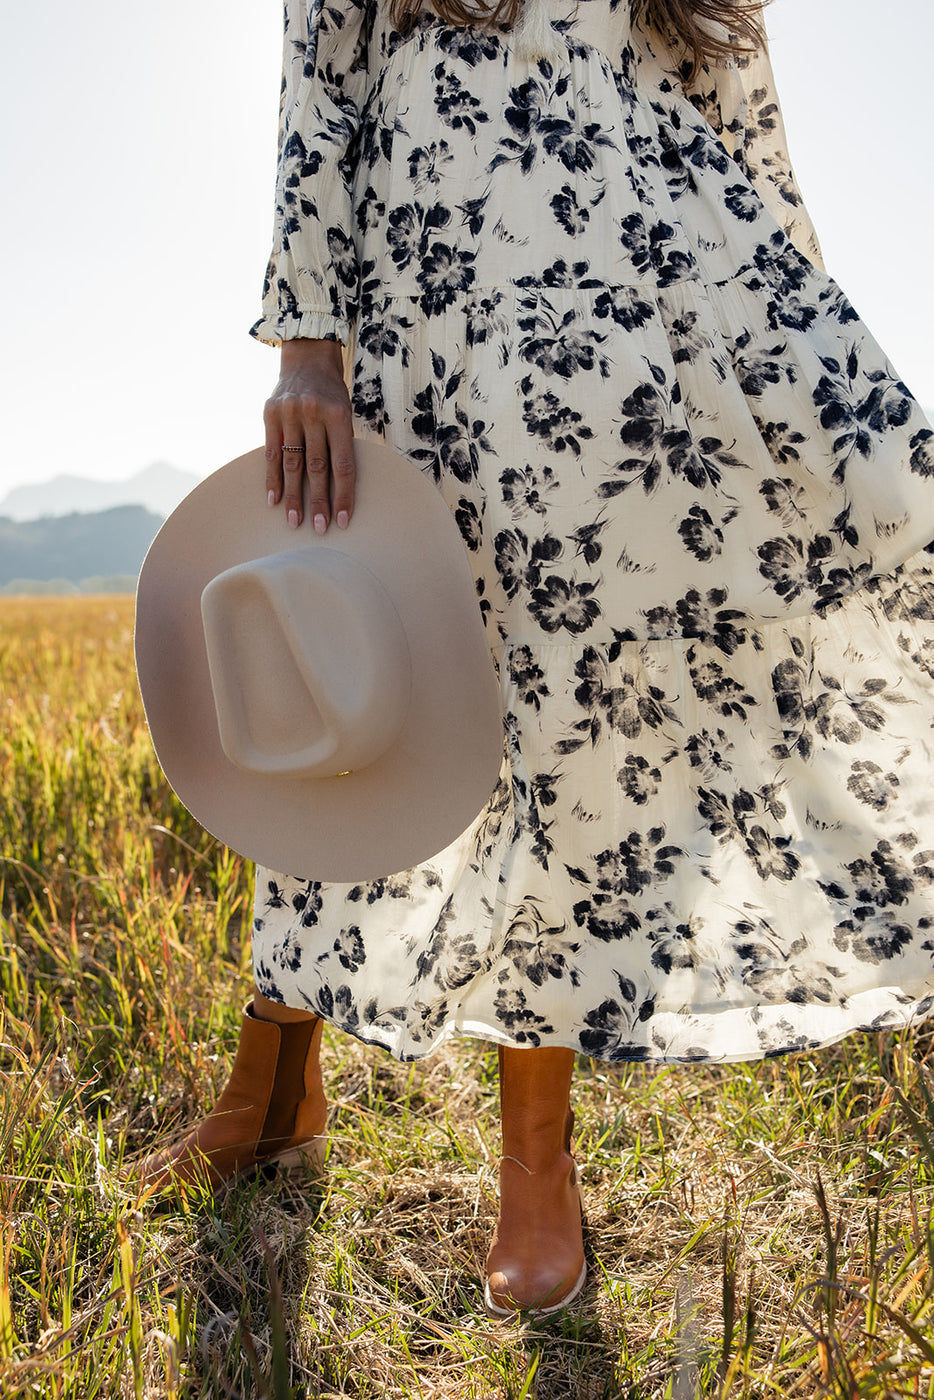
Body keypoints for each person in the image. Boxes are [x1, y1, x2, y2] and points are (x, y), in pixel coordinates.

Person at [140, 0, 934, 1319]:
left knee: (578, 711)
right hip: (420, 280)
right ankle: (271, 1084)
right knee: (345, 652)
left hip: (642, 291)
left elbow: (739, 101)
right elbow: (319, 65)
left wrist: (779, 319)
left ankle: (534, 1156)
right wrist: (304, 337)